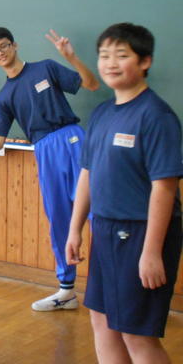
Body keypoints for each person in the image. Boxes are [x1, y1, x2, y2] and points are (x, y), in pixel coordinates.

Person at [0, 27, 99, 311]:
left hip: (72, 139)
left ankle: (112, 284)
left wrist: (71, 57)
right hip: (44, 150)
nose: (0, 53)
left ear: (15, 45)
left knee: (97, 211)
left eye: (4, 46)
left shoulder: (46, 68)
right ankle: (66, 291)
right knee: (58, 219)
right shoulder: (4, 96)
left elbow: (92, 85)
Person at [66, 23, 182, 363]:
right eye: (104, 55)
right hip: (105, 229)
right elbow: (87, 173)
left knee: (136, 334)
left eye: (121, 55)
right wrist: (75, 229)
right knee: (101, 321)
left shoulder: (157, 116)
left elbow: (165, 187)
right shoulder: (102, 113)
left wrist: (151, 252)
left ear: (145, 61)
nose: (110, 63)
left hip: (141, 233)